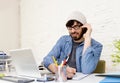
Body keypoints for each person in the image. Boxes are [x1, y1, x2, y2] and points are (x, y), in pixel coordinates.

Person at [43, 11, 103, 79]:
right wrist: (61, 70)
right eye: (70, 28)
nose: (72, 31)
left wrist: (88, 37)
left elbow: (86, 70)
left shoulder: (97, 46)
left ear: (84, 27)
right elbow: (47, 60)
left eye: (76, 27)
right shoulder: (63, 40)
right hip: (62, 80)